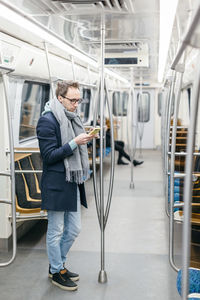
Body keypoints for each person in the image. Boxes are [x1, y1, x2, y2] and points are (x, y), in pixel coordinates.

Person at [36, 81, 96, 291]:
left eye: (79, 100)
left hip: (71, 182)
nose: (76, 105)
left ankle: (58, 265)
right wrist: (74, 144)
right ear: (60, 98)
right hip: (56, 183)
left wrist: (82, 141)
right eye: (73, 100)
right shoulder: (47, 121)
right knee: (56, 231)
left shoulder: (72, 119)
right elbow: (49, 156)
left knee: (74, 229)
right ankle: (56, 270)